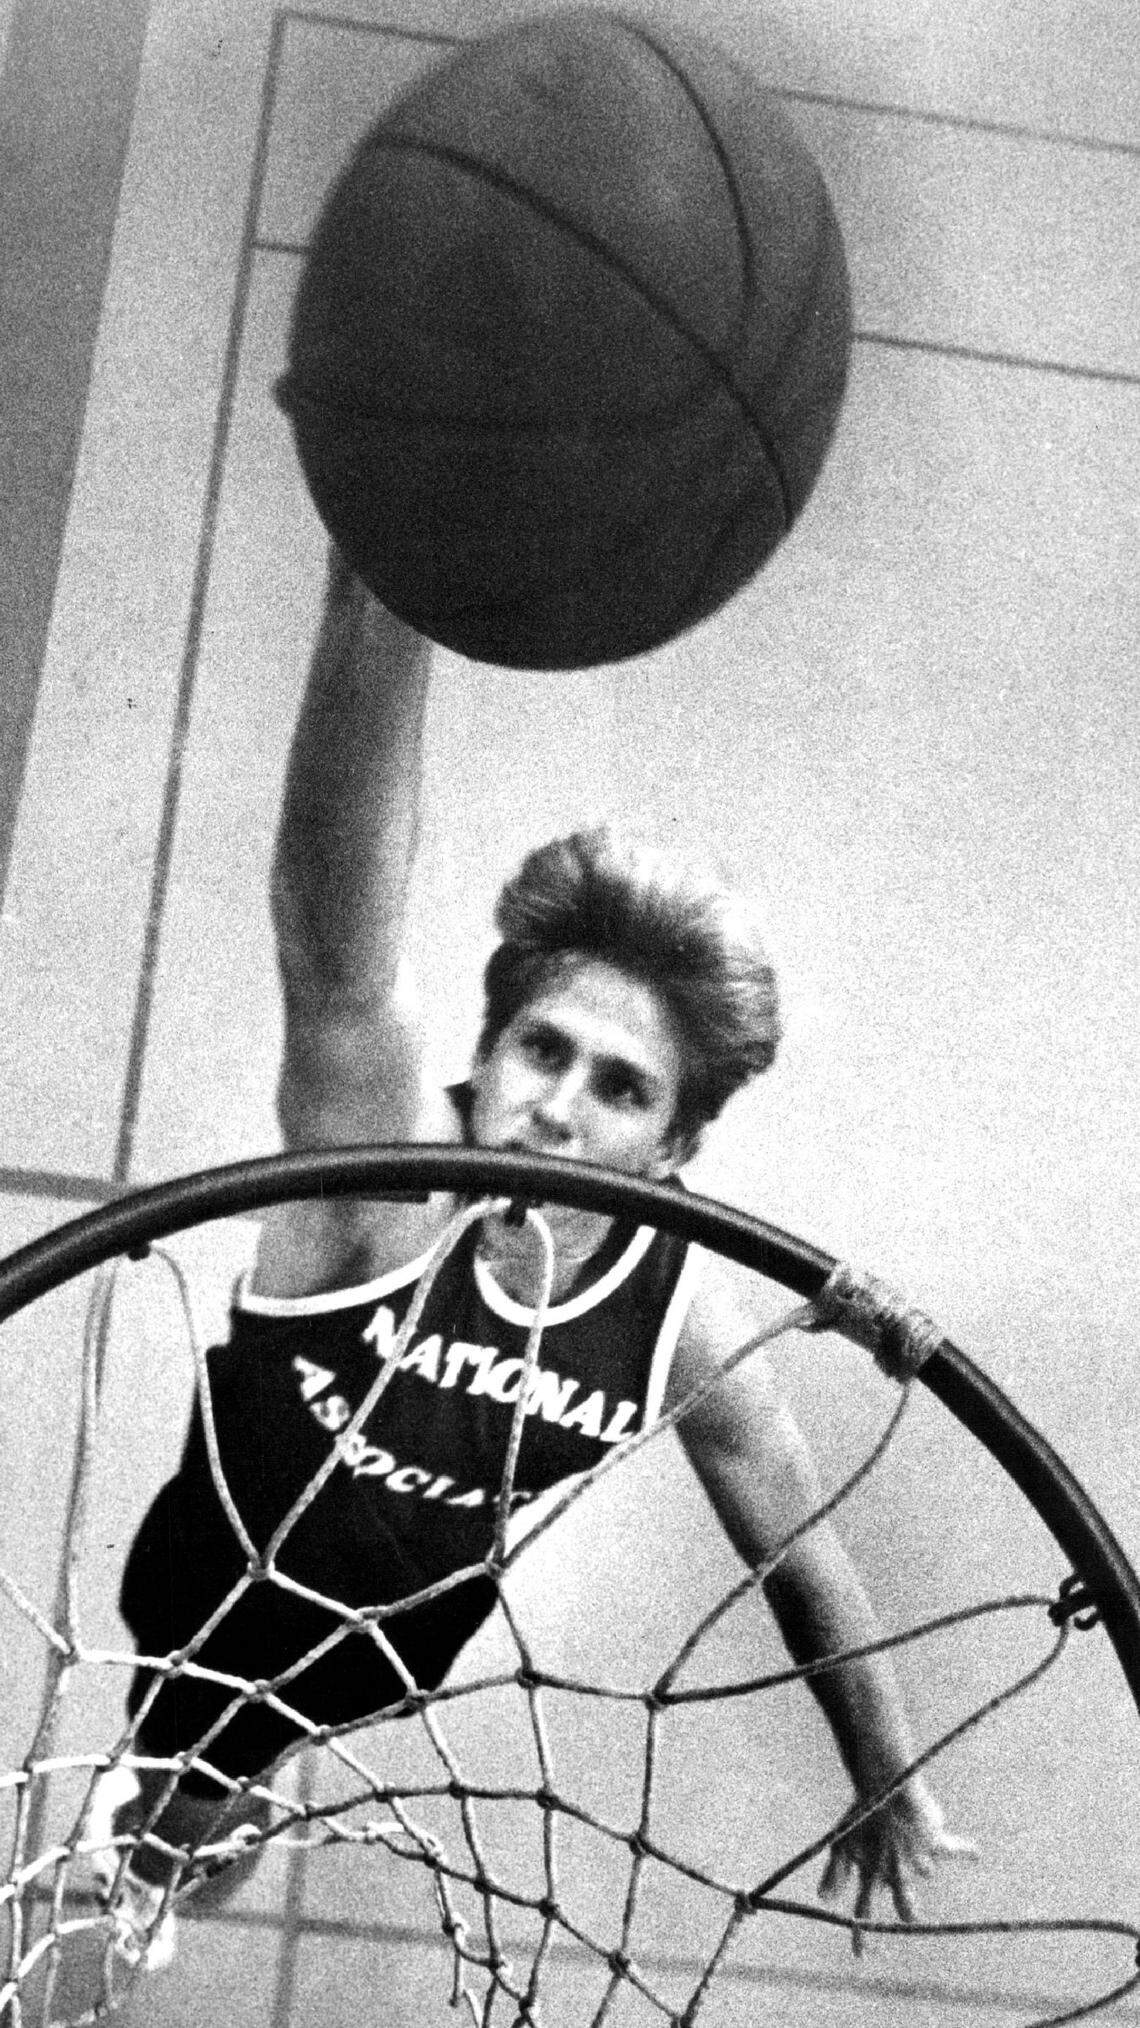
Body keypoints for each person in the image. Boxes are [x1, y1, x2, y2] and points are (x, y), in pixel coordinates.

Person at [92, 547, 973, 1966]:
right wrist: (380, 600)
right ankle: (183, 1798)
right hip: (216, 1571)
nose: (556, 1104)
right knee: (192, 1752)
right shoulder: (383, 1159)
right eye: (541, 1049)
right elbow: (336, 946)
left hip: (395, 1636)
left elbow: (802, 1552)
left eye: (620, 1088)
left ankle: (198, 1808)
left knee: (249, 1754)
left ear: (672, 1152)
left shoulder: (679, 1308)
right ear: (488, 1052)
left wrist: (887, 1765)